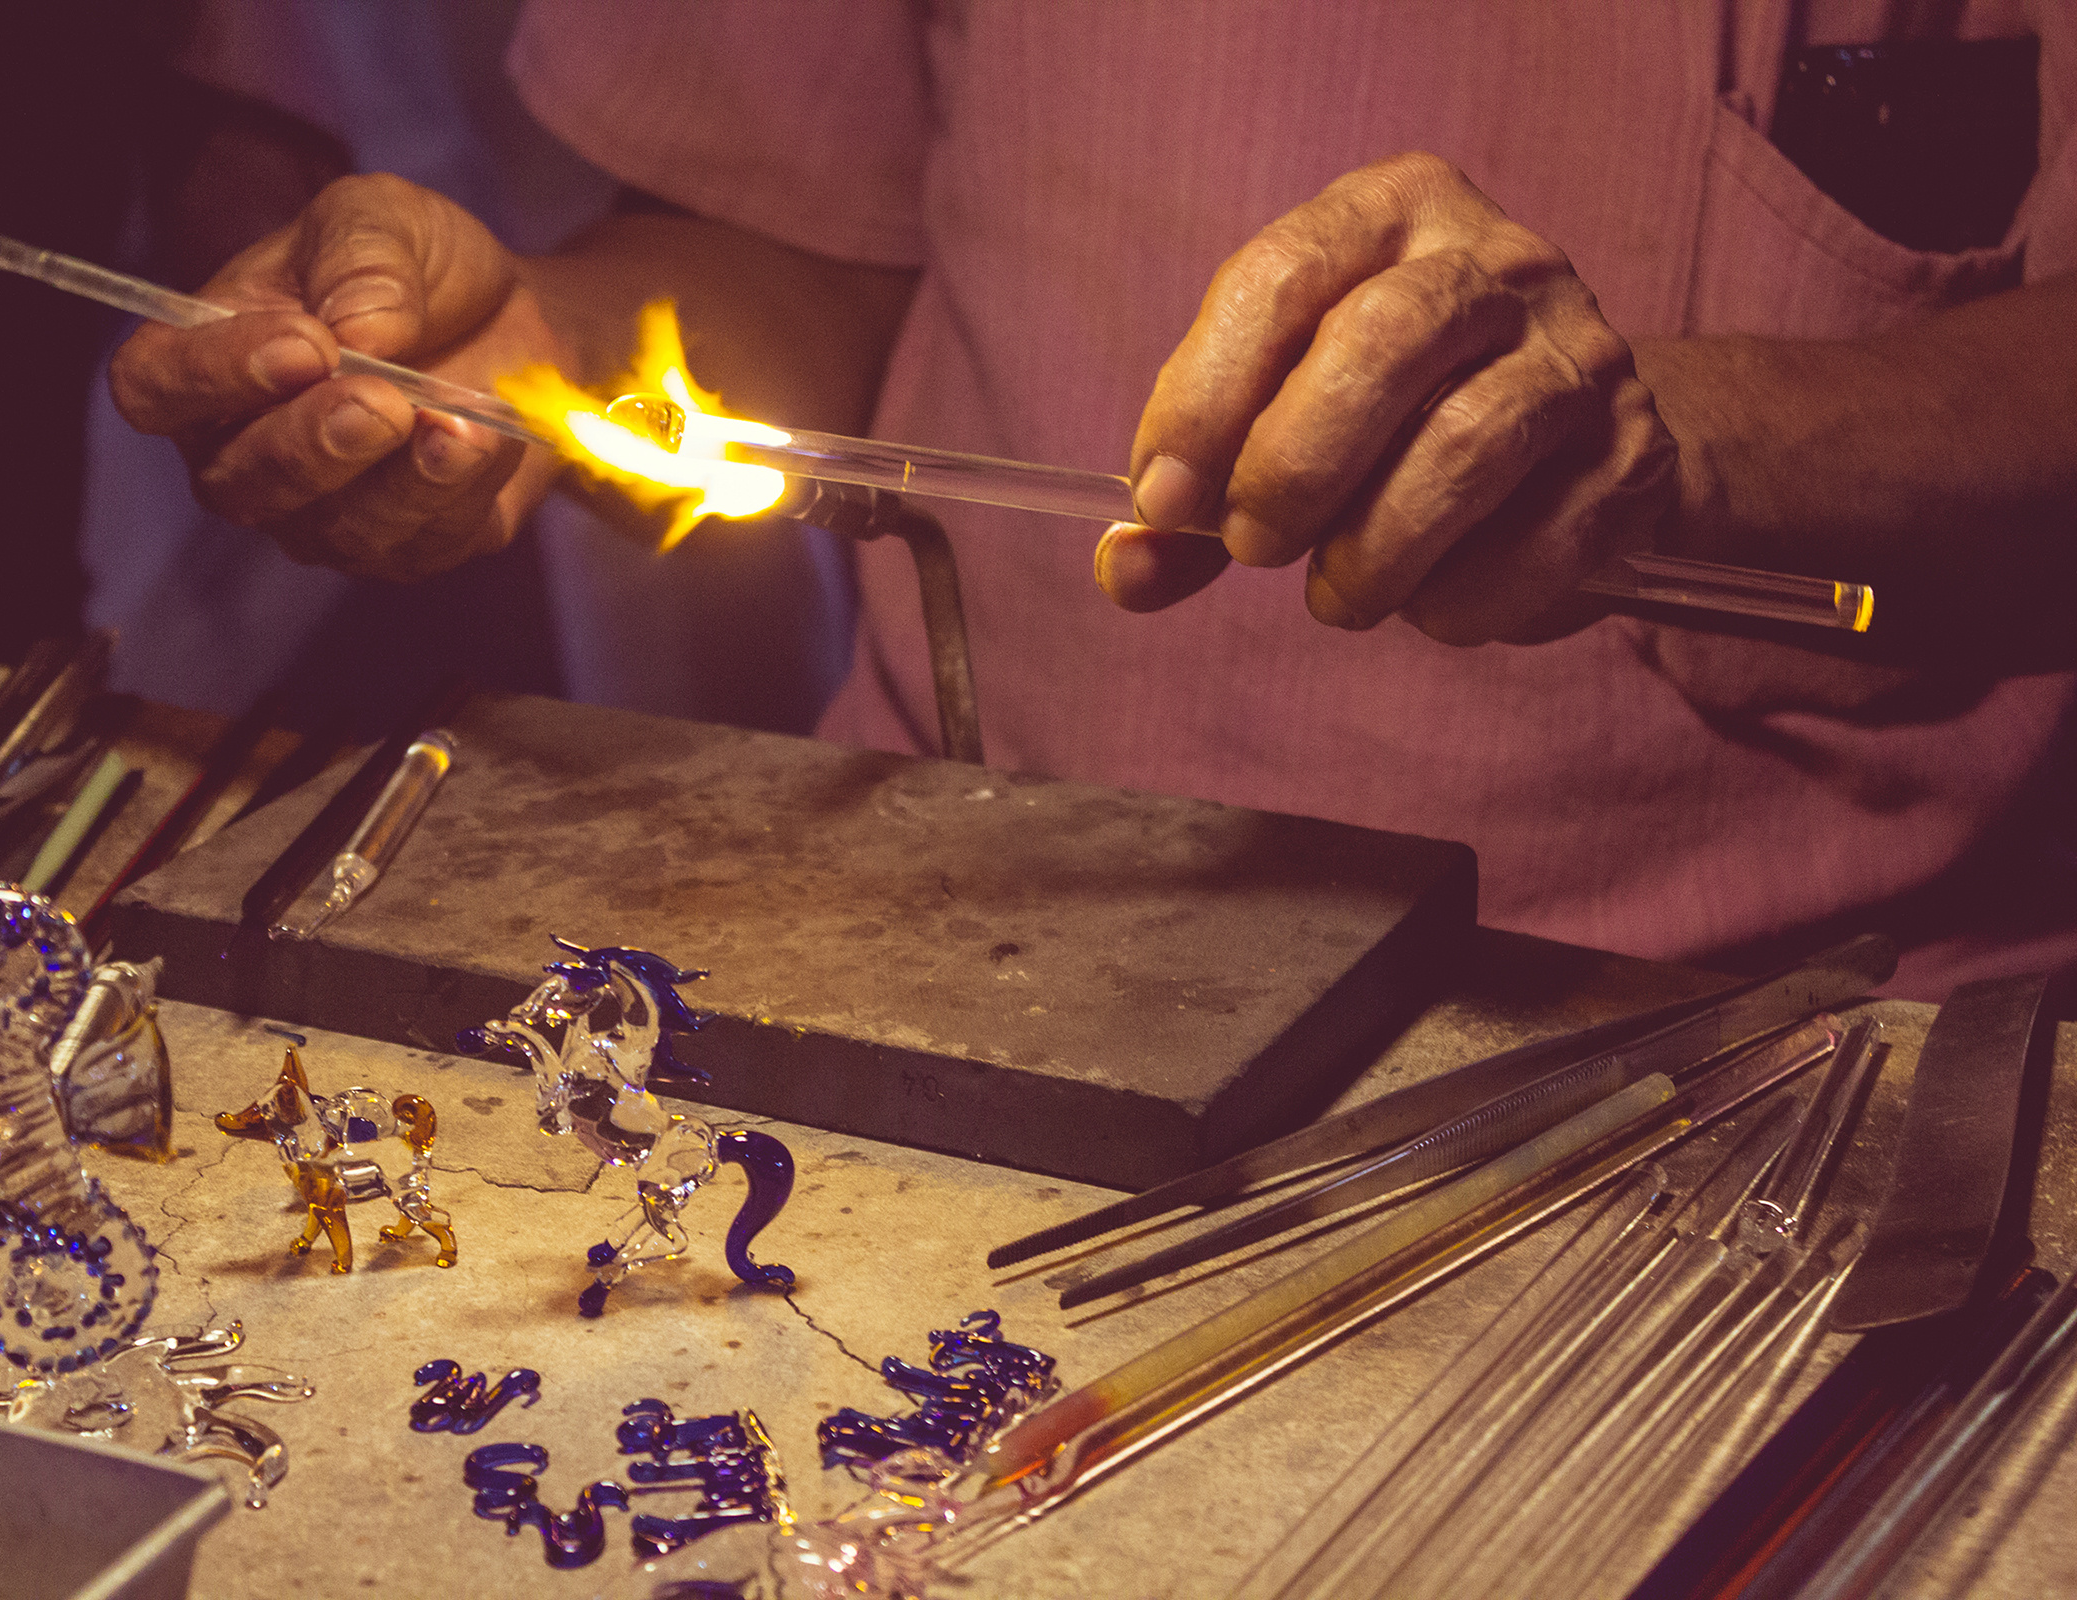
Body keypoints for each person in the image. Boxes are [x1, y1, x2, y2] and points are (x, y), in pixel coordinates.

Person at [107, 2, 2077, 999]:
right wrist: (527, 361)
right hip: (973, 917)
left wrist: (1682, 443)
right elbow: (790, 261)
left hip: (1759, 1045)